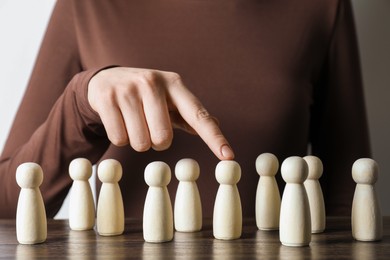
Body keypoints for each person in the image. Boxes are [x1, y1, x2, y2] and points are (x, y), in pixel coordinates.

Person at [0, 0, 370, 218]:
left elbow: (349, 199)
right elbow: (6, 206)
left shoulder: (320, 6)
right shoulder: (88, 5)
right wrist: (83, 102)